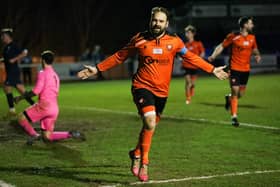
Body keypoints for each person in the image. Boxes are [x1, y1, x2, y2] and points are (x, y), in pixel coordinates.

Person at [77, 7, 228, 182]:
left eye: (161, 21)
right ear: (150, 20)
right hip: (142, 86)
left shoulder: (175, 41)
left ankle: (136, 153)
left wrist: (212, 69)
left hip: (162, 92)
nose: (157, 23)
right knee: (149, 121)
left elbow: (190, 57)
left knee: (150, 126)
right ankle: (145, 162)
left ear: (167, 23)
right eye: (154, 20)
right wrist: (97, 68)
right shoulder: (139, 39)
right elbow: (120, 56)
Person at [14, 50, 85, 145]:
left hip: (44, 106)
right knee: (47, 137)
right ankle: (70, 134)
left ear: (43, 60)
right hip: (54, 108)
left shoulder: (43, 73)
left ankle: (34, 135)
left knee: (21, 118)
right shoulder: (55, 75)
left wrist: (20, 97)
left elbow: (36, 91)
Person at [208, 16, 261, 127]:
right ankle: (234, 117)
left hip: (246, 70)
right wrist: (213, 56)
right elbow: (221, 46)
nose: (252, 25)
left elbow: (254, 48)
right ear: (245, 25)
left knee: (240, 94)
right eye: (250, 23)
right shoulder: (233, 36)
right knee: (235, 91)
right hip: (234, 68)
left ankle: (228, 97)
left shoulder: (252, 37)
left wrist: (257, 55)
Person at [0, 28, 34, 117]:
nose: (2, 37)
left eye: (3, 36)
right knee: (22, 92)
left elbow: (24, 53)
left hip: (13, 71)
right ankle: (35, 106)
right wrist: (2, 61)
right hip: (10, 72)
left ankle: (12, 110)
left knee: (7, 87)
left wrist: (14, 59)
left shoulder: (14, 45)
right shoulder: (6, 48)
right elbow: (7, 59)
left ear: (7, 36)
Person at [182, 25, 206, 104]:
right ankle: (188, 99)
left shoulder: (198, 43)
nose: (187, 34)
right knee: (188, 83)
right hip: (186, 66)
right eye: (186, 33)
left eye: (189, 33)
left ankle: (191, 92)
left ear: (193, 34)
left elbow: (202, 53)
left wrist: (199, 59)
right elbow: (181, 54)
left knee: (192, 84)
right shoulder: (184, 45)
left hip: (195, 66)